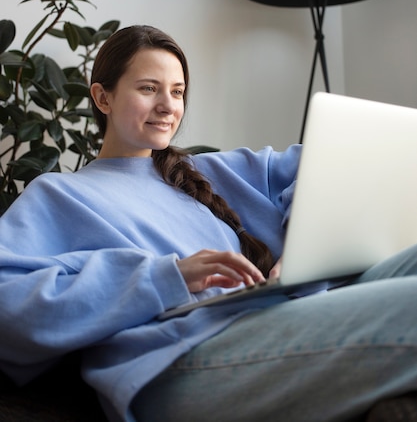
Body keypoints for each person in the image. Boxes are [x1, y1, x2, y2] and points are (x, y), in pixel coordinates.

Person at [0, 24, 417, 422]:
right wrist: (167, 277)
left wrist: (303, 246)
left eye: (177, 92)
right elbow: (8, 303)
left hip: (276, 318)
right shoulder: (59, 195)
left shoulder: (203, 172)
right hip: (180, 361)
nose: (168, 105)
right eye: (149, 88)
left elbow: (331, 161)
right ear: (102, 97)